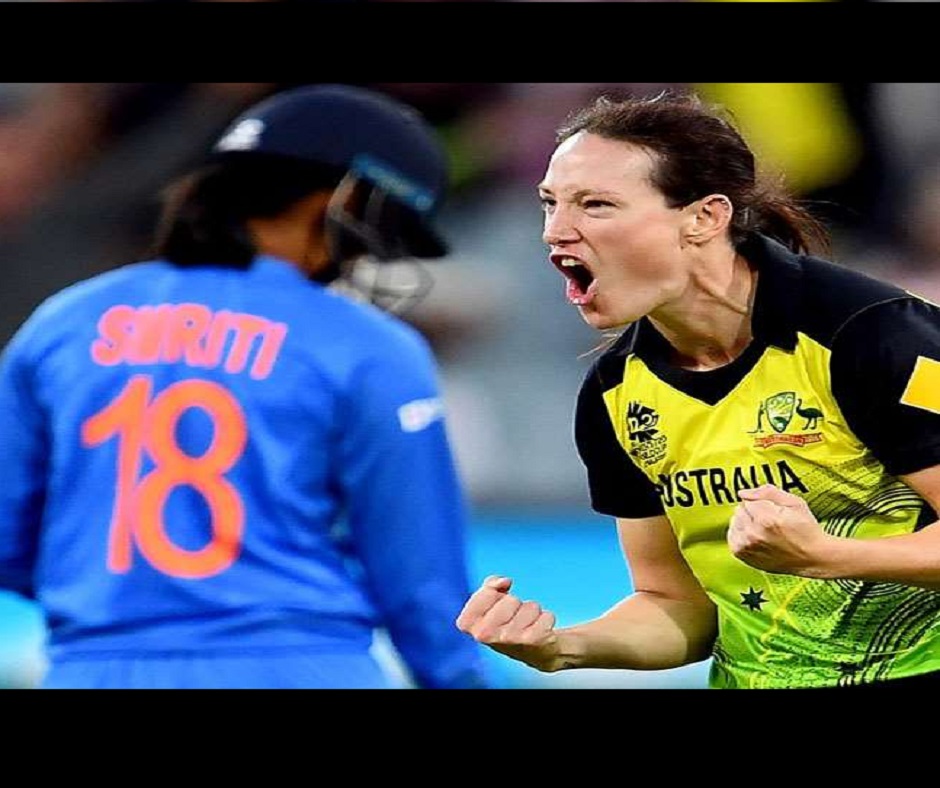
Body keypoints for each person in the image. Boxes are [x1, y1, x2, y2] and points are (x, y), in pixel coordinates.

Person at [0, 83, 492, 689]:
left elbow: (7, 540)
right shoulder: (368, 345)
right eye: (387, 226)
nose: (375, 254)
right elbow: (421, 584)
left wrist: (116, 604)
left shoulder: (61, 324)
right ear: (342, 200)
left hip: (96, 668)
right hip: (301, 667)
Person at [456, 91, 940, 690]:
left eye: (596, 205)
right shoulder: (616, 392)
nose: (556, 231)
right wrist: (561, 648)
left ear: (705, 218)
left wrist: (827, 556)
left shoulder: (871, 335)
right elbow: (675, 606)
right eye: (549, 204)